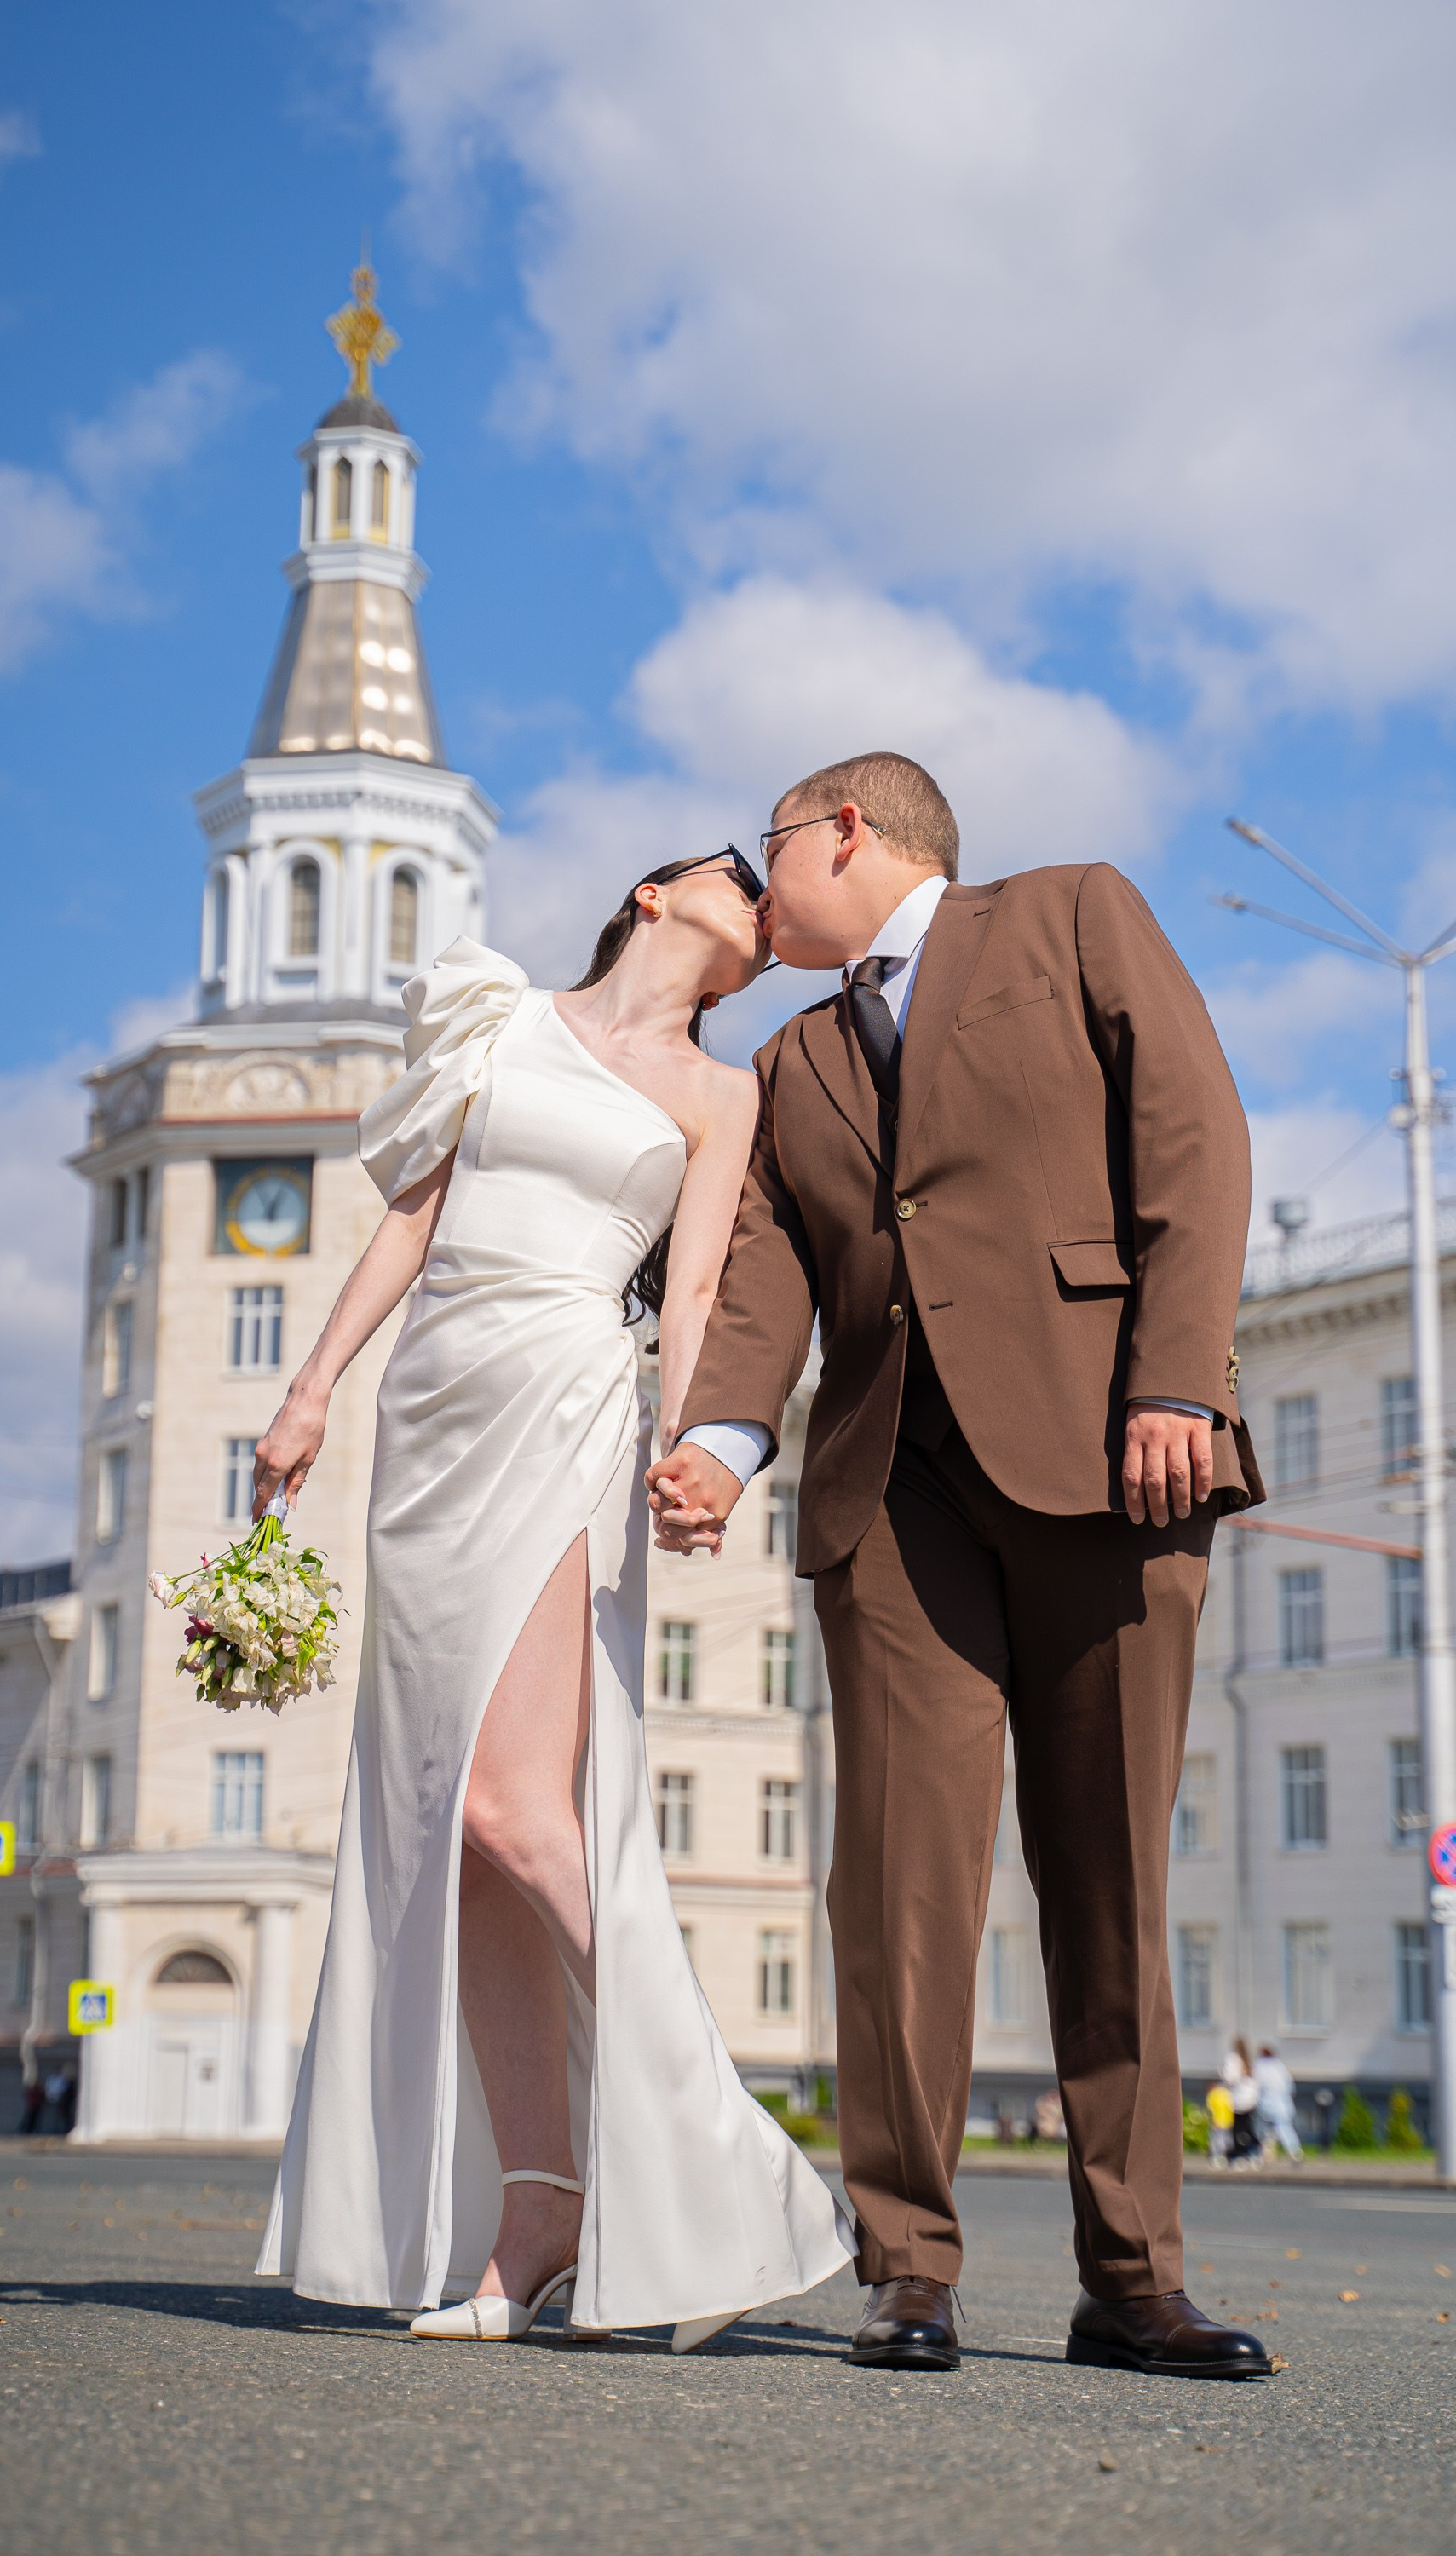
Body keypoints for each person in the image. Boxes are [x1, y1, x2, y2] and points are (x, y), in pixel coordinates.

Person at [652, 752, 1273, 2381]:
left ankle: (1133, 2281)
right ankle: (906, 2270)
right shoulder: (792, 1060)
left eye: (769, 847)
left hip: (1110, 1457)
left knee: (1106, 1879)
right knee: (902, 1892)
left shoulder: (1070, 919)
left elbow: (1194, 1140)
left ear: (846, 831)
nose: (757, 877)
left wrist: (1176, 1381)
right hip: (894, 1495)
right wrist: (721, 1440)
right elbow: (769, 1273)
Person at [251, 857, 854, 2346]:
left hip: (571, 1405)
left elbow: (698, 1291)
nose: (767, 899)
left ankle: (724, 2164)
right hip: (432, 1415)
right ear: (657, 894)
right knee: (455, 1840)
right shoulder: (496, 1015)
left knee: (519, 1812)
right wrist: (311, 1386)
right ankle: (537, 2226)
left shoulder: (724, 1097)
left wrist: (686, 1448)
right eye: (745, 872)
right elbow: (413, 1216)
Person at [1255, 2044, 1303, 2162]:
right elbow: (1289, 2084)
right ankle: (1294, 2152)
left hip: (1266, 2101)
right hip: (1283, 2101)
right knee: (1284, 2127)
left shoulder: (1260, 2065)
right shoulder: (1279, 2065)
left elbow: (1257, 2084)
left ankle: (1266, 2152)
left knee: (1263, 2129)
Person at [1224, 2038, 1262, 2167]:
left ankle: (1239, 2155)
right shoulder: (1248, 2060)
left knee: (1237, 2129)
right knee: (1248, 2128)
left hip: (1239, 2100)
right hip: (1251, 2099)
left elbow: (1230, 2078)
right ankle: (1255, 2150)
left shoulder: (1233, 2058)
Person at [1205, 2077, 1234, 2167]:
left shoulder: (1213, 2095)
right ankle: (1224, 2157)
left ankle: (1218, 2157)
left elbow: (1211, 2109)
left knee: (1216, 2141)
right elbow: (1232, 2107)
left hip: (1217, 2121)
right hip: (1227, 2121)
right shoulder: (1227, 2093)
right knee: (1226, 2140)